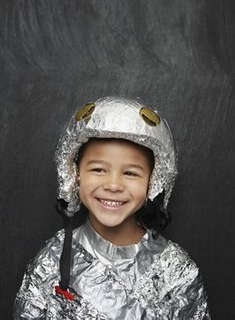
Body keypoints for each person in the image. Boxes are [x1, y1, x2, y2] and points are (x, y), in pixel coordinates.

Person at [13, 97, 210, 319]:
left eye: (130, 173)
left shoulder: (177, 271)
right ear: (74, 175)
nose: (113, 185)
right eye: (98, 169)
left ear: (153, 182)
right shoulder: (51, 261)